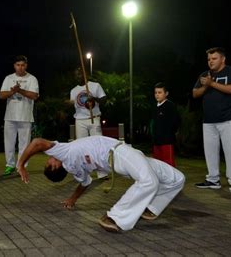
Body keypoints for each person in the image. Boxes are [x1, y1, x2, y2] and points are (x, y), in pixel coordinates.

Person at [17, 135, 185, 232]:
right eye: (48, 162)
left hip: (127, 157)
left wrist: (72, 200)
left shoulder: (74, 169)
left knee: (177, 178)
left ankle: (151, 208)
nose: (48, 157)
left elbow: (84, 183)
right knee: (149, 182)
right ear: (55, 165)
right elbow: (37, 143)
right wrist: (21, 164)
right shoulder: (64, 153)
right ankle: (113, 217)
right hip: (119, 154)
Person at [193, 47, 231, 194]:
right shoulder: (204, 75)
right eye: (209, 59)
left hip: (228, 118)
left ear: (223, 59)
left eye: (214, 58)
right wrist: (205, 86)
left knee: (230, 150)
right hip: (208, 120)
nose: (210, 61)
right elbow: (195, 93)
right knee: (210, 151)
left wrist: (211, 84)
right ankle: (213, 180)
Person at [0, 55, 39, 175]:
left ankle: (21, 166)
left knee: (24, 144)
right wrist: (12, 91)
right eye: (18, 65)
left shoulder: (32, 79)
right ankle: (9, 165)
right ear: (14, 66)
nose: (20, 67)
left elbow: (34, 96)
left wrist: (19, 90)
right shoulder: (8, 78)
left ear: (26, 66)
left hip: (25, 116)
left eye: (22, 65)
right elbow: (1, 95)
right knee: (9, 142)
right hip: (10, 116)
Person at [69, 67, 106, 139]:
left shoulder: (95, 85)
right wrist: (68, 104)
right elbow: (72, 105)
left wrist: (94, 98)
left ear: (85, 74)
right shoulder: (73, 91)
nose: (78, 76)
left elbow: (104, 99)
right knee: (81, 144)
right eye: (76, 75)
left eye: (79, 74)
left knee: (97, 142)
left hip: (94, 118)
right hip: (80, 120)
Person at [150, 82, 180, 167]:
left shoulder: (170, 106)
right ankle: (161, 179)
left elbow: (176, 121)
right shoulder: (154, 106)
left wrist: (170, 133)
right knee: (157, 164)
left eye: (160, 92)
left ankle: (172, 180)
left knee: (168, 164)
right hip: (156, 141)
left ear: (166, 93)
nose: (157, 95)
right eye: (155, 93)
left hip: (167, 140)